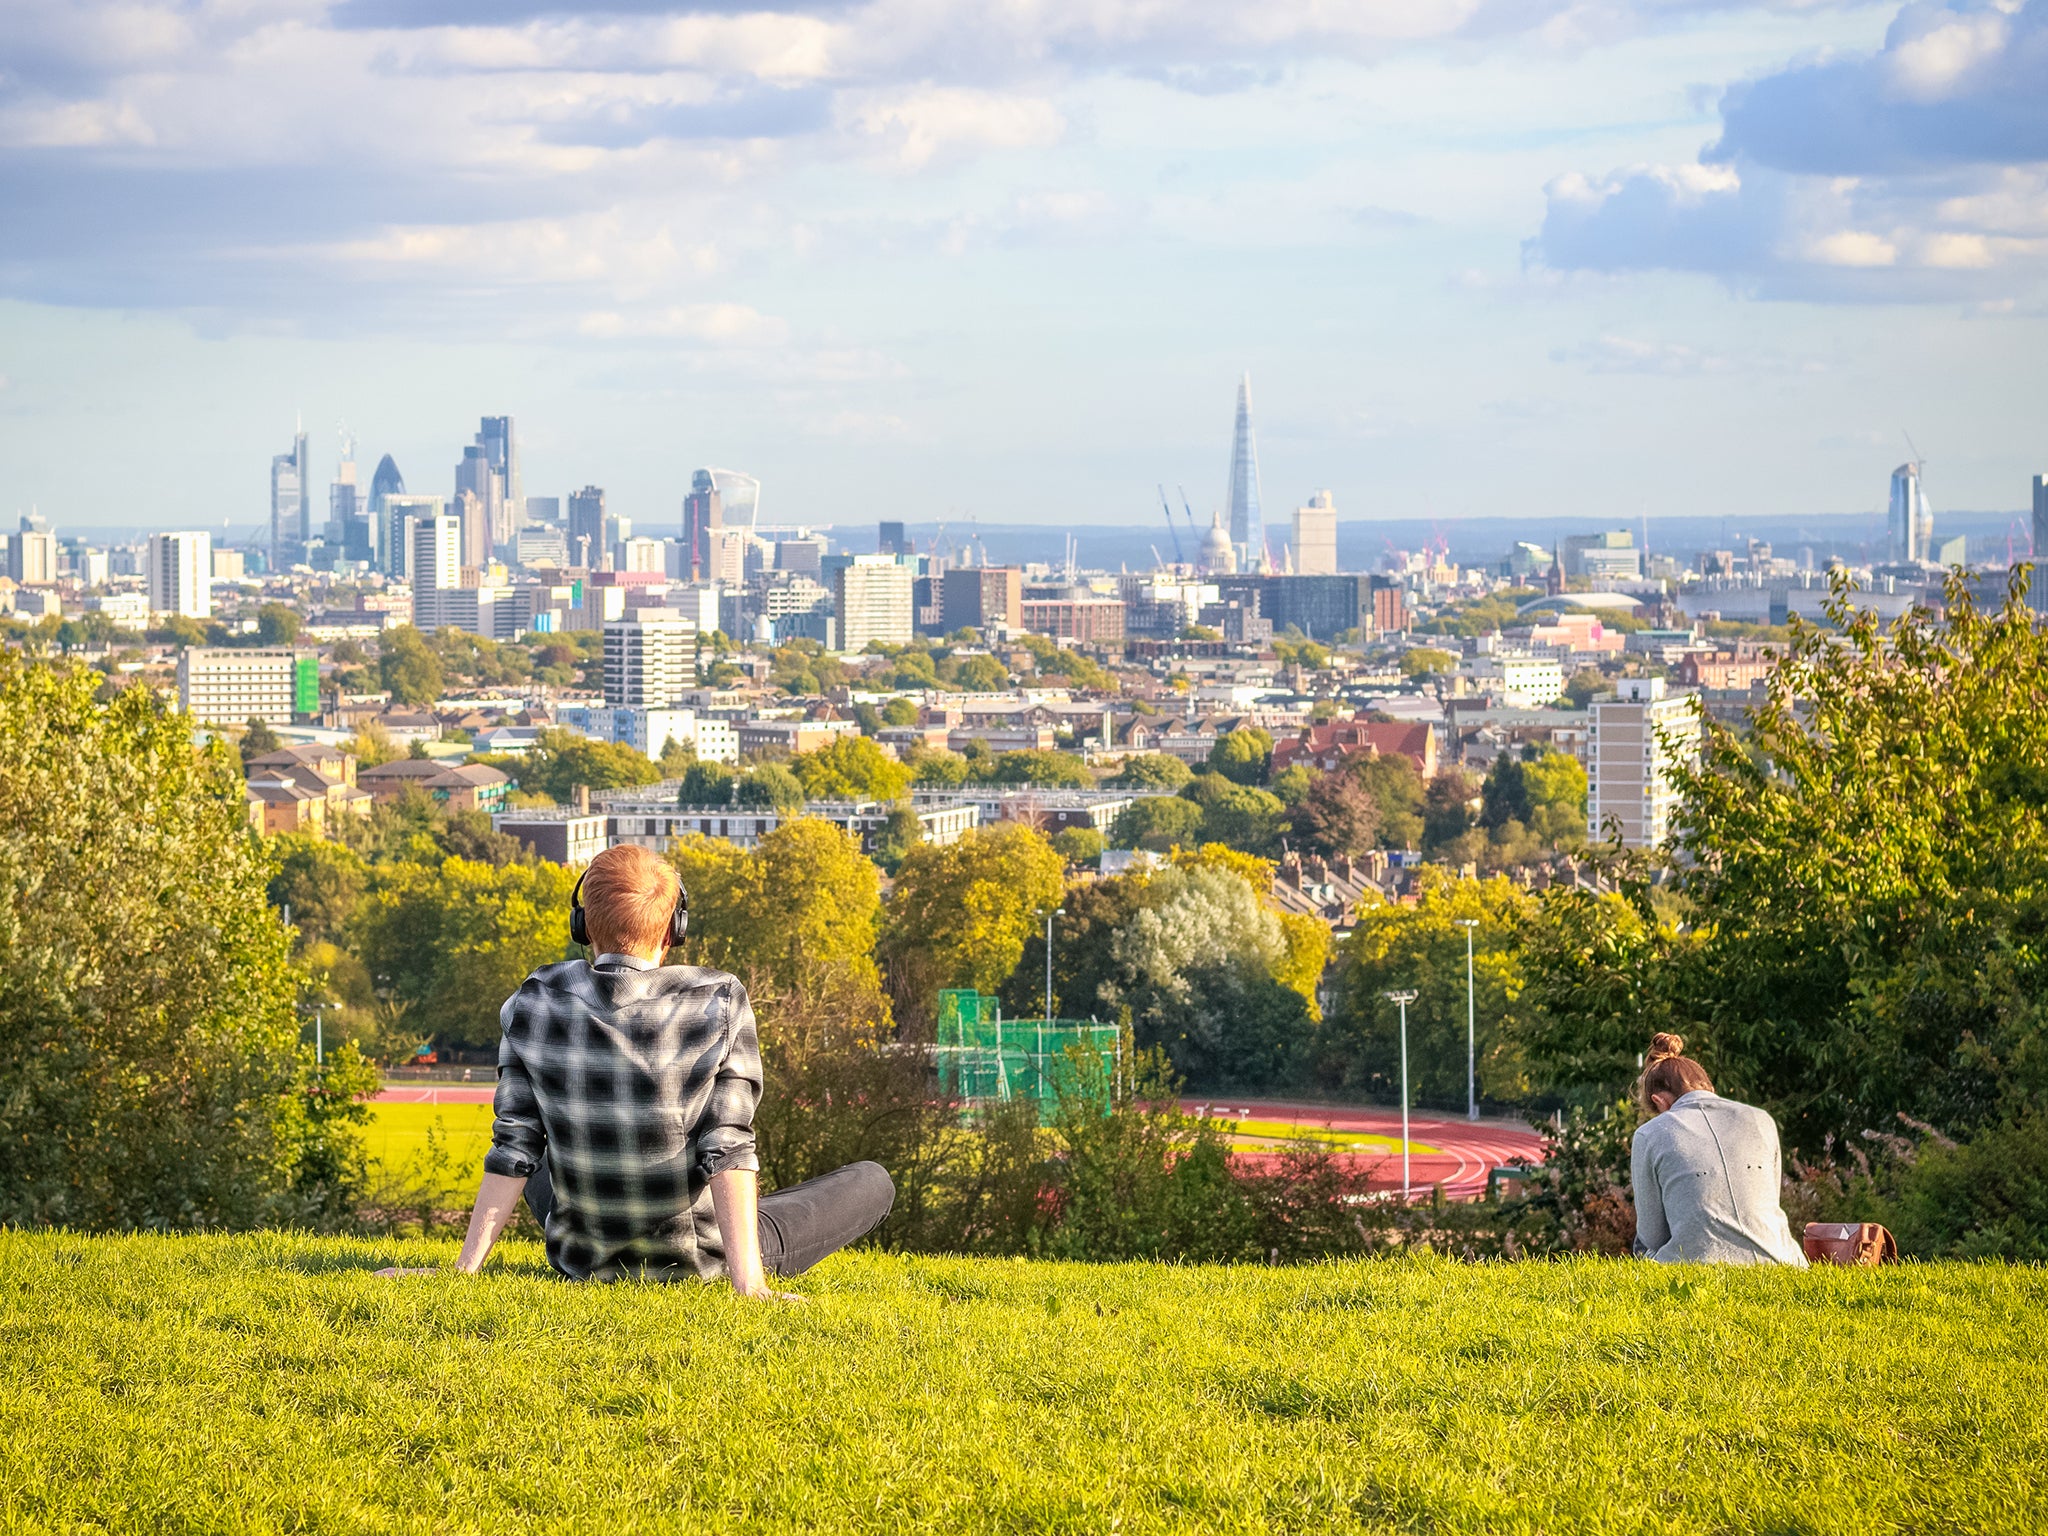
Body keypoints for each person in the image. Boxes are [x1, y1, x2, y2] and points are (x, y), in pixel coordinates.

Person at [388, 843, 893, 1296]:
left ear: (583, 924)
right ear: (675, 927)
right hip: (695, 1259)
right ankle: (741, 1263)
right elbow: (728, 1147)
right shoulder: (717, 1000)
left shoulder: (533, 999)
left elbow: (515, 1144)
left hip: (582, 1258)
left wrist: (464, 1272)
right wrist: (750, 1285)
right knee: (872, 1180)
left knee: (536, 1151)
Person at [1630, 1032, 1807, 1267]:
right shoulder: (1761, 1120)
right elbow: (1768, 1199)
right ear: (1708, 1087)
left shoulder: (1649, 1134)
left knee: (1641, 1247)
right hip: (1780, 1259)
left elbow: (1652, 1235)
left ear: (1660, 1102)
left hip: (1698, 1263)